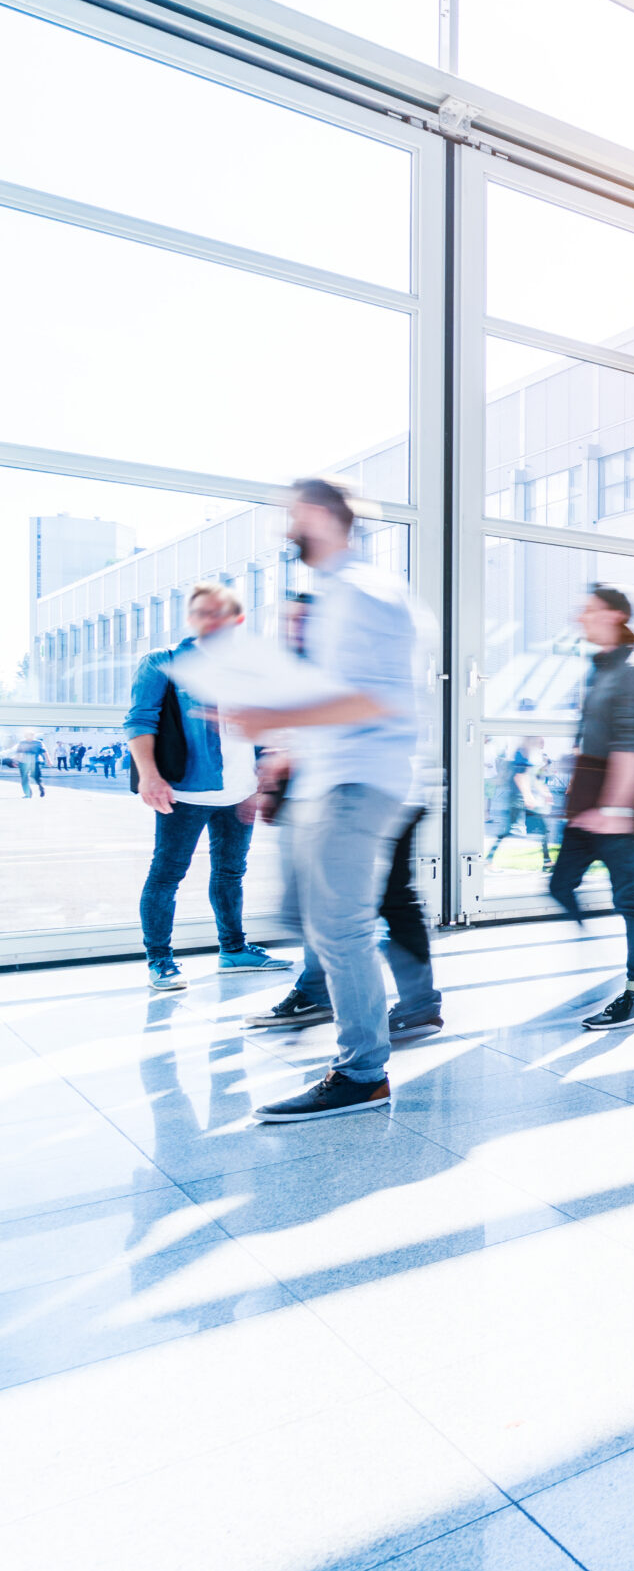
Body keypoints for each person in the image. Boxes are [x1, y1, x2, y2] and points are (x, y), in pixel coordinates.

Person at [231, 478, 420, 1123]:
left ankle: (364, 1071)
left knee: (341, 930)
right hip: (335, 777)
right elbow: (340, 695)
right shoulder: (338, 593)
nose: (287, 528)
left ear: (317, 514)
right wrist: (283, 749)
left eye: (292, 514)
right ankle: (350, 1043)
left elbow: (374, 700)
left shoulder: (361, 594)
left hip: (357, 782)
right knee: (323, 926)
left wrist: (270, 716)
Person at [126, 582, 290, 990]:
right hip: (184, 792)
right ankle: (159, 960)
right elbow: (140, 721)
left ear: (236, 620)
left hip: (240, 792)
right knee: (166, 875)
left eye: (218, 613)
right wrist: (149, 775)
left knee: (231, 873)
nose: (209, 620)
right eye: (201, 612)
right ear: (192, 619)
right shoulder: (163, 663)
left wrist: (263, 781)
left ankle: (233, 951)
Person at [547, 584, 634, 1030]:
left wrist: (613, 810)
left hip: (618, 803)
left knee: (632, 899)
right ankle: (599, 953)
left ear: (615, 616)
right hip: (588, 798)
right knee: (560, 885)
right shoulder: (600, 668)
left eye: (590, 611)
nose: (581, 618)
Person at [252, 800, 443, 1042]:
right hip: (357, 795)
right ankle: (318, 993)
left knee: (387, 900)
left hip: (371, 795)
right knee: (374, 899)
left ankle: (418, 1007)